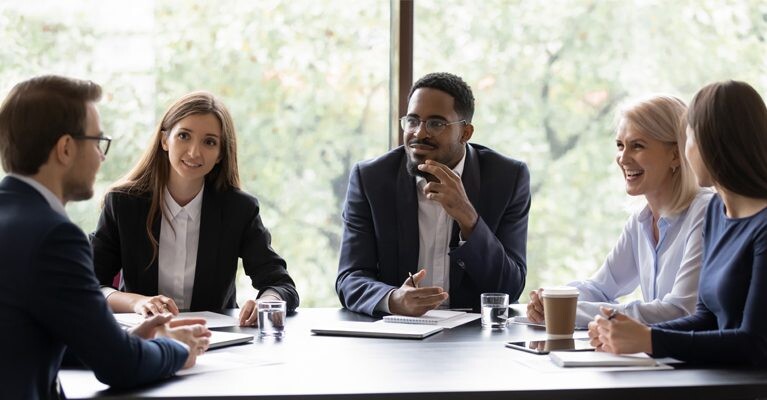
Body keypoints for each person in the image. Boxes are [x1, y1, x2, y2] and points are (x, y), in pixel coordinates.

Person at [0, 75, 211, 399]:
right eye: (98, 142)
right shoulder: (54, 237)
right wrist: (176, 348)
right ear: (66, 148)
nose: (102, 157)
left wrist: (122, 340)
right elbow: (120, 366)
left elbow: (26, 337)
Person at [588, 80, 767, 366]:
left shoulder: (761, 229)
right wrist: (632, 334)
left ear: (715, 143)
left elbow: (755, 344)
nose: (686, 152)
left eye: (688, 139)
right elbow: (705, 319)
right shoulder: (718, 214)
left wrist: (650, 340)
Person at [91, 91, 298, 326]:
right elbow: (90, 284)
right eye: (184, 136)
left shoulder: (238, 209)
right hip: (145, 338)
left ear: (220, 154)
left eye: (209, 142)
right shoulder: (123, 203)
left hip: (215, 341)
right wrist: (137, 302)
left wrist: (266, 302)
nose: (194, 152)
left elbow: (280, 284)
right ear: (164, 140)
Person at [336, 72, 530, 317]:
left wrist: (468, 218)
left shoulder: (507, 178)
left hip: (473, 337)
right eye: (413, 121)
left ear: (465, 133)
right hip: (394, 334)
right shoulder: (372, 178)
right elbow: (350, 278)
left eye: (436, 123)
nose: (419, 133)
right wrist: (393, 299)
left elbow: (510, 289)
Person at [526, 95, 712, 327]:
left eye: (637, 146)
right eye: (620, 145)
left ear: (675, 154)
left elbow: (678, 312)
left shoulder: (705, 213)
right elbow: (600, 288)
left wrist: (565, 311)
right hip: (658, 357)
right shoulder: (641, 221)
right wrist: (552, 298)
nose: (623, 158)